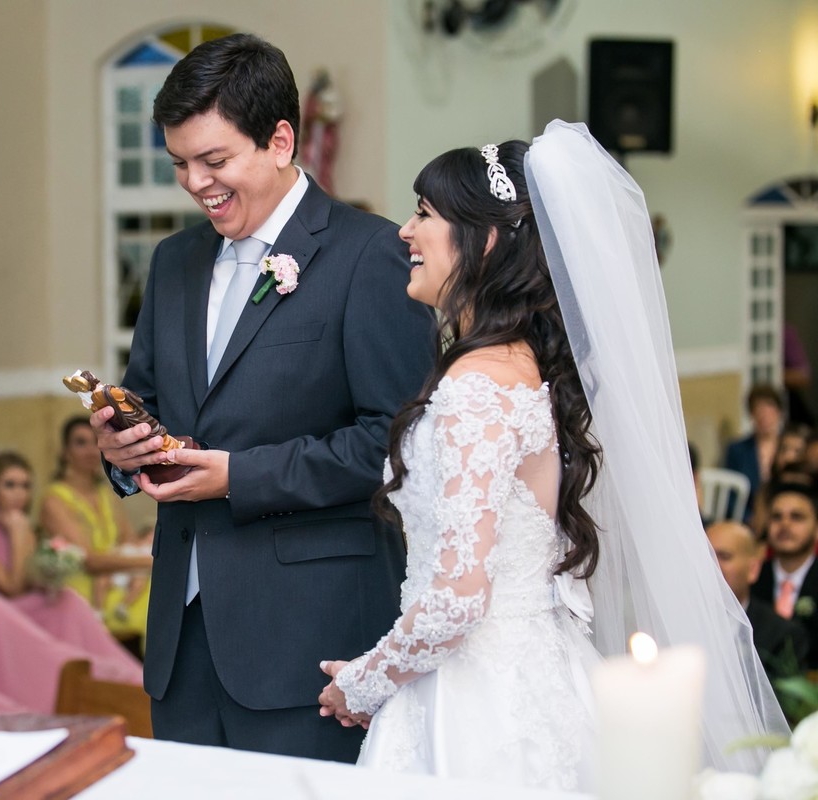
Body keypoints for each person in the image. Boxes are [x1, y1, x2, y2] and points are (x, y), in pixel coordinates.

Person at [317, 122, 785, 788]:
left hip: (478, 703)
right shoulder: (520, 367)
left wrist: (363, 682)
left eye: (424, 213)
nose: (405, 231)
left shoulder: (478, 385)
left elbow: (458, 600)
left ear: (483, 240)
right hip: (529, 669)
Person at [90, 33, 436, 762]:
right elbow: (148, 396)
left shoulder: (370, 254)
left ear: (280, 141)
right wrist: (122, 449)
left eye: (214, 161)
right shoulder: (174, 261)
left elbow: (394, 445)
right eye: (179, 163)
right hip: (180, 645)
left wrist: (237, 477)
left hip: (308, 642)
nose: (195, 183)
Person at [0, 451, 143, 716]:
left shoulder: (25, 526)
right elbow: (11, 587)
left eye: (25, 486)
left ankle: (116, 672)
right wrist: (18, 534)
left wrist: (49, 569)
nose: (18, 493)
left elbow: (26, 581)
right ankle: (62, 667)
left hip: (23, 605)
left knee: (67, 599)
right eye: (9, 485)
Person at [39, 417, 153, 646]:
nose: (91, 450)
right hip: (82, 586)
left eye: (95, 442)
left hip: (116, 576)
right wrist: (149, 562)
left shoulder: (105, 494)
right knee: (155, 600)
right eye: (81, 443)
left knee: (162, 590)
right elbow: (88, 560)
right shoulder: (54, 499)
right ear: (65, 452)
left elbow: (129, 540)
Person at [707, 520, 808, 683]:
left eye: (724, 557)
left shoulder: (783, 636)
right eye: (706, 556)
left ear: (753, 569)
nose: (712, 566)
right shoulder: (677, 618)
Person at [751, 482, 818, 671]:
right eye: (776, 517)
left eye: (797, 517)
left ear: (816, 526)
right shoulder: (752, 577)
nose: (785, 524)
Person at [724, 384, 786, 521]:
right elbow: (731, 494)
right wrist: (750, 519)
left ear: (779, 412)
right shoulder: (738, 450)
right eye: (758, 409)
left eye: (769, 408)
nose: (764, 415)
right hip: (749, 519)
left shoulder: (788, 446)